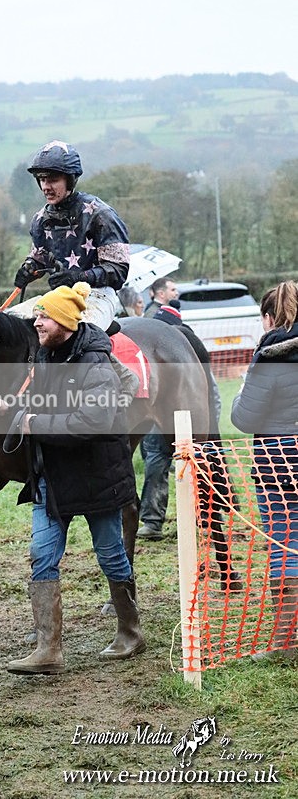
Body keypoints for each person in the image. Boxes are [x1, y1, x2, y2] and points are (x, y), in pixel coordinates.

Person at [0, 281, 145, 674]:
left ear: (65, 322)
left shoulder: (95, 363)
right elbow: (45, 399)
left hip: (97, 477)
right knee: (42, 555)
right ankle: (48, 649)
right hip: (52, 477)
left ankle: (130, 631)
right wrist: (13, 404)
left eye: (44, 315)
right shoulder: (46, 355)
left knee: (110, 555)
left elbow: (93, 419)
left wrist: (34, 422)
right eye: (37, 314)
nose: (36, 321)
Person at [231, 281, 298, 660]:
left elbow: (244, 417)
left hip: (279, 461)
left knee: (285, 543)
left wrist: (243, 389)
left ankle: (287, 643)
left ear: (270, 318)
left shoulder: (269, 356)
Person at [11, 140, 129, 331]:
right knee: (10, 323)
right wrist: (29, 269)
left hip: (98, 296)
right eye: (42, 179)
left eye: (53, 180)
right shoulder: (40, 219)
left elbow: (118, 271)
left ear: (70, 179)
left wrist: (78, 276)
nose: (46, 187)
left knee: (75, 332)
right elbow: (40, 258)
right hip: (60, 297)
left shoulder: (101, 215)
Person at [138, 303, 222, 541]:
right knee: (156, 465)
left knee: (180, 464)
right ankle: (155, 520)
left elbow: (211, 394)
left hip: (183, 422)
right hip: (161, 421)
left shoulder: (187, 351)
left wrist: (208, 421)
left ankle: (202, 517)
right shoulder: (166, 352)